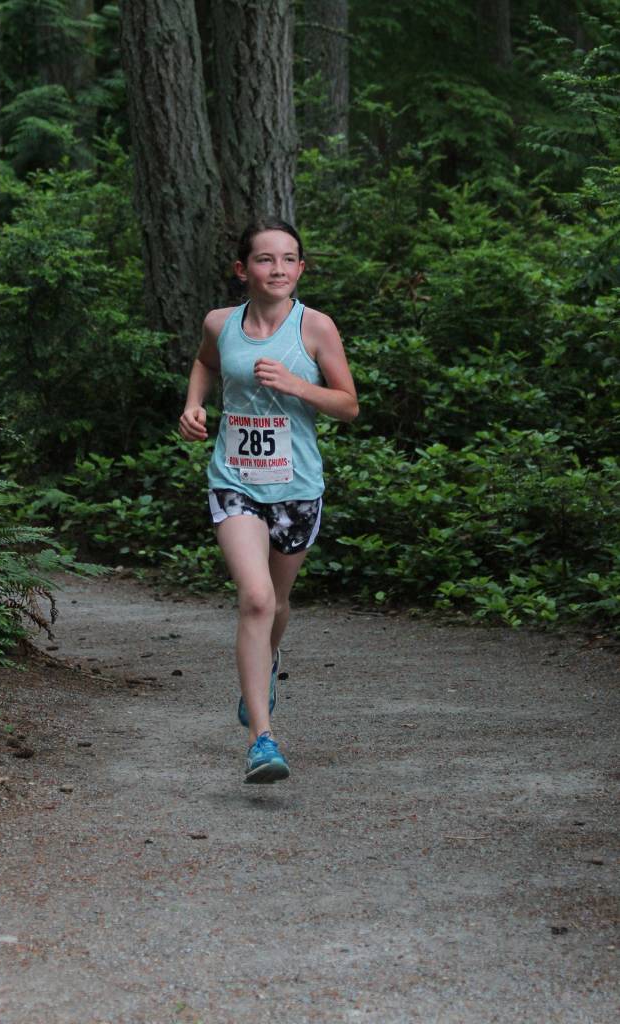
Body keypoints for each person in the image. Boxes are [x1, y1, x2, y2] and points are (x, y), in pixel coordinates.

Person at [179, 217, 358, 784]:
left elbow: (349, 405)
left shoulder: (316, 329)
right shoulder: (220, 323)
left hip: (297, 489)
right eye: (264, 259)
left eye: (288, 259)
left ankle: (266, 664)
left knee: (277, 604)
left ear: (300, 269)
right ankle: (262, 738)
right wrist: (194, 405)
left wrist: (297, 385)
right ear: (242, 269)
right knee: (255, 600)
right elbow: (206, 362)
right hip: (234, 480)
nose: (277, 269)